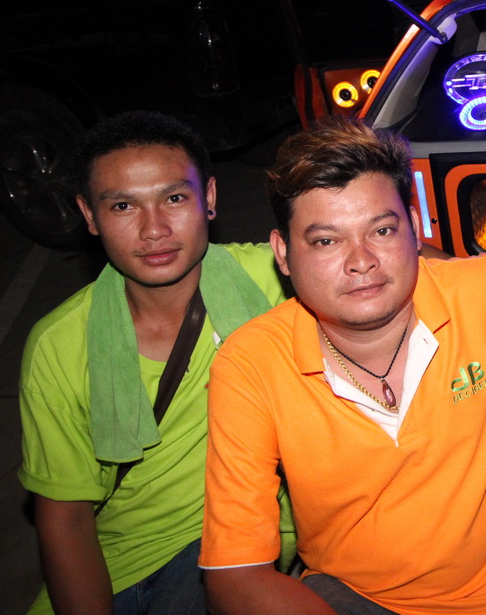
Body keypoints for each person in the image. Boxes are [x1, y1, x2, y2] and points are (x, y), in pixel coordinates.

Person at [199, 119, 486, 614]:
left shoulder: (479, 291)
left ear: (413, 227)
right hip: (351, 595)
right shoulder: (251, 363)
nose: (362, 260)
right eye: (326, 241)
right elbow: (234, 573)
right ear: (283, 253)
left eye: (381, 231)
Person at [17, 111, 292, 614]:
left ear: (209, 198)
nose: (154, 229)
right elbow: (66, 520)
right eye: (123, 205)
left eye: (174, 198)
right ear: (89, 215)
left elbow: (392, 261)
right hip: (121, 568)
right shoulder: (60, 345)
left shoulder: (272, 278)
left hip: (232, 544)